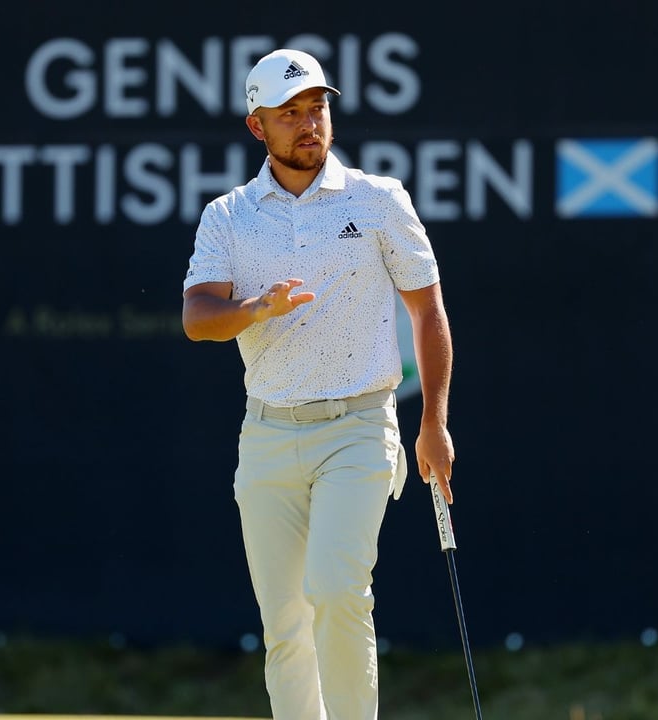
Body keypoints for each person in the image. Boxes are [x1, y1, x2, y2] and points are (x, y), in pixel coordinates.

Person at [181, 47, 456, 720]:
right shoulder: (229, 216)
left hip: (360, 428)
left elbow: (427, 310)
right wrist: (255, 310)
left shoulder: (379, 200)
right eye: (290, 114)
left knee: (337, 589)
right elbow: (198, 318)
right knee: (286, 627)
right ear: (257, 127)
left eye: (318, 108)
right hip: (269, 436)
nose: (310, 124)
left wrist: (434, 422)